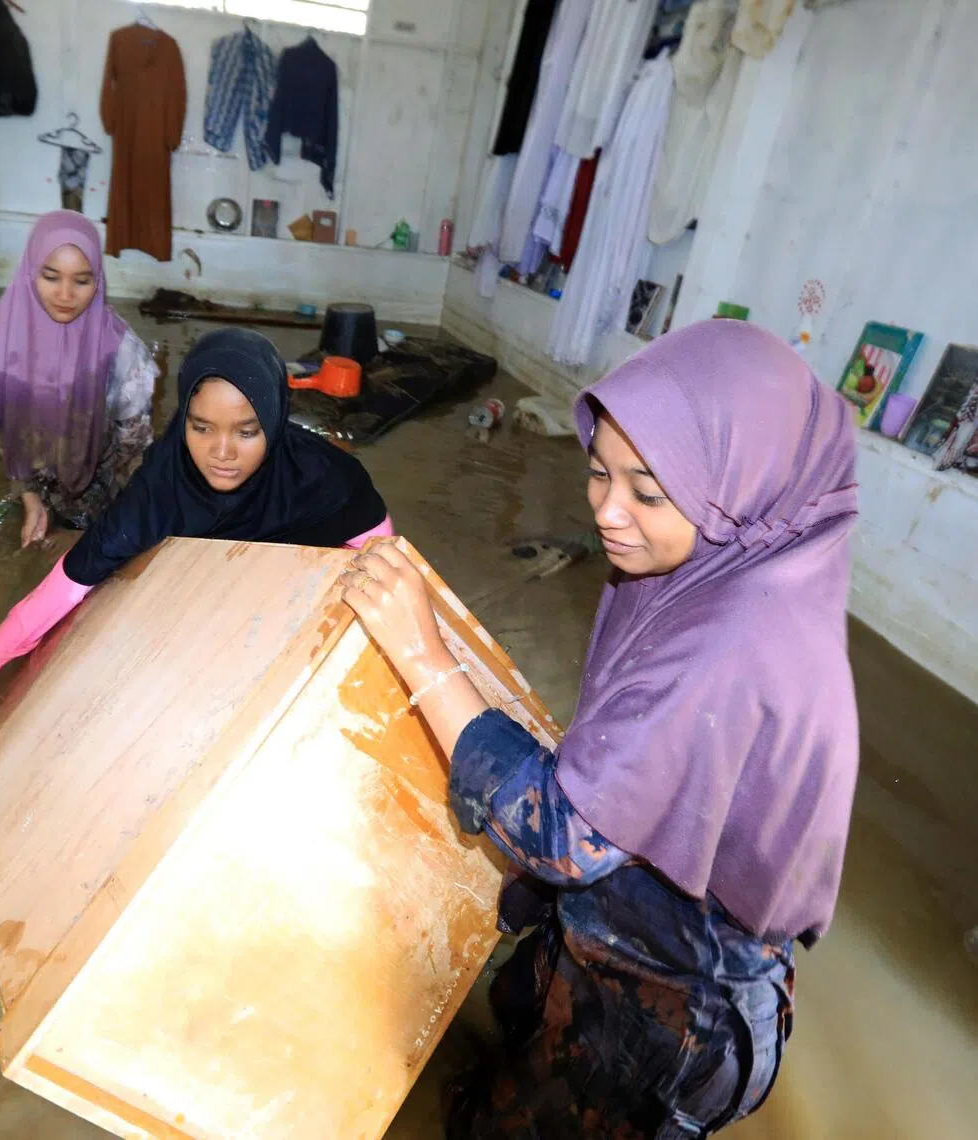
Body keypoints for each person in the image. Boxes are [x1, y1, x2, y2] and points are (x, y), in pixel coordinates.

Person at [340, 320, 860, 1138]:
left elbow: (566, 836)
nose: (608, 514)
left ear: (740, 481)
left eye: (648, 491)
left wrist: (422, 651)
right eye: (597, 474)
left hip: (672, 1009)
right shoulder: (721, 569)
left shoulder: (736, 642)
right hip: (620, 930)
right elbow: (620, 771)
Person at [0, 328, 391, 755]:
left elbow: (381, 554)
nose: (222, 454)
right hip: (199, 576)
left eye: (247, 432)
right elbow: (66, 586)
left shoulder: (325, 479)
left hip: (289, 576)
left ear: (274, 417)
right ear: (182, 418)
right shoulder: (159, 490)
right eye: (201, 428)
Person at [0, 209, 157, 548]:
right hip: (37, 481)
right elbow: (3, 429)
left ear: (98, 281)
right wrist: (30, 497)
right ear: (31, 272)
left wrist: (121, 527)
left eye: (81, 281)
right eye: (51, 276)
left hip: (104, 487)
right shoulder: (3, 336)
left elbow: (133, 451)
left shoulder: (122, 352)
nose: (64, 295)